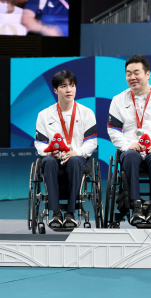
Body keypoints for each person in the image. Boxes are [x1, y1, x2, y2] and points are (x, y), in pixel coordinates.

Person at [107, 55, 151, 226]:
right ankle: (136, 206)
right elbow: (113, 129)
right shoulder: (118, 100)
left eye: (136, 73)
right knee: (131, 156)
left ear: (148, 74)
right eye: (128, 74)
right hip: (132, 150)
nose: (132, 77)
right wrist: (127, 145)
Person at [34, 70, 97, 229]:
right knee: (47, 162)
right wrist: (49, 151)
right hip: (53, 157)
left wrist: (77, 152)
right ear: (55, 90)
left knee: (75, 161)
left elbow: (91, 142)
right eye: (63, 86)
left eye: (72, 85)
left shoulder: (86, 113)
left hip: (76, 156)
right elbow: (40, 143)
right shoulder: (44, 115)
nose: (69, 90)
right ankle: (55, 212)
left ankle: (70, 213)